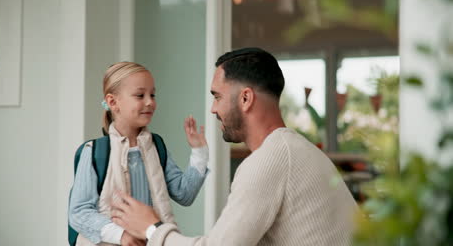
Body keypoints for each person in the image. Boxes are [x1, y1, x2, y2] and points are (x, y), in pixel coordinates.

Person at [111, 48, 358, 246]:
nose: (213, 109)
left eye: (217, 97)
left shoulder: (269, 161)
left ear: (245, 98)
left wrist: (152, 229)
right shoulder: (297, 150)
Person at [68, 62, 209, 246]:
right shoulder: (93, 152)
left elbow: (184, 194)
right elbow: (79, 212)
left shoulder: (156, 147)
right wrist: (121, 236)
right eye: (140, 95)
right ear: (112, 102)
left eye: (153, 94)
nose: (150, 101)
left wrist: (199, 152)